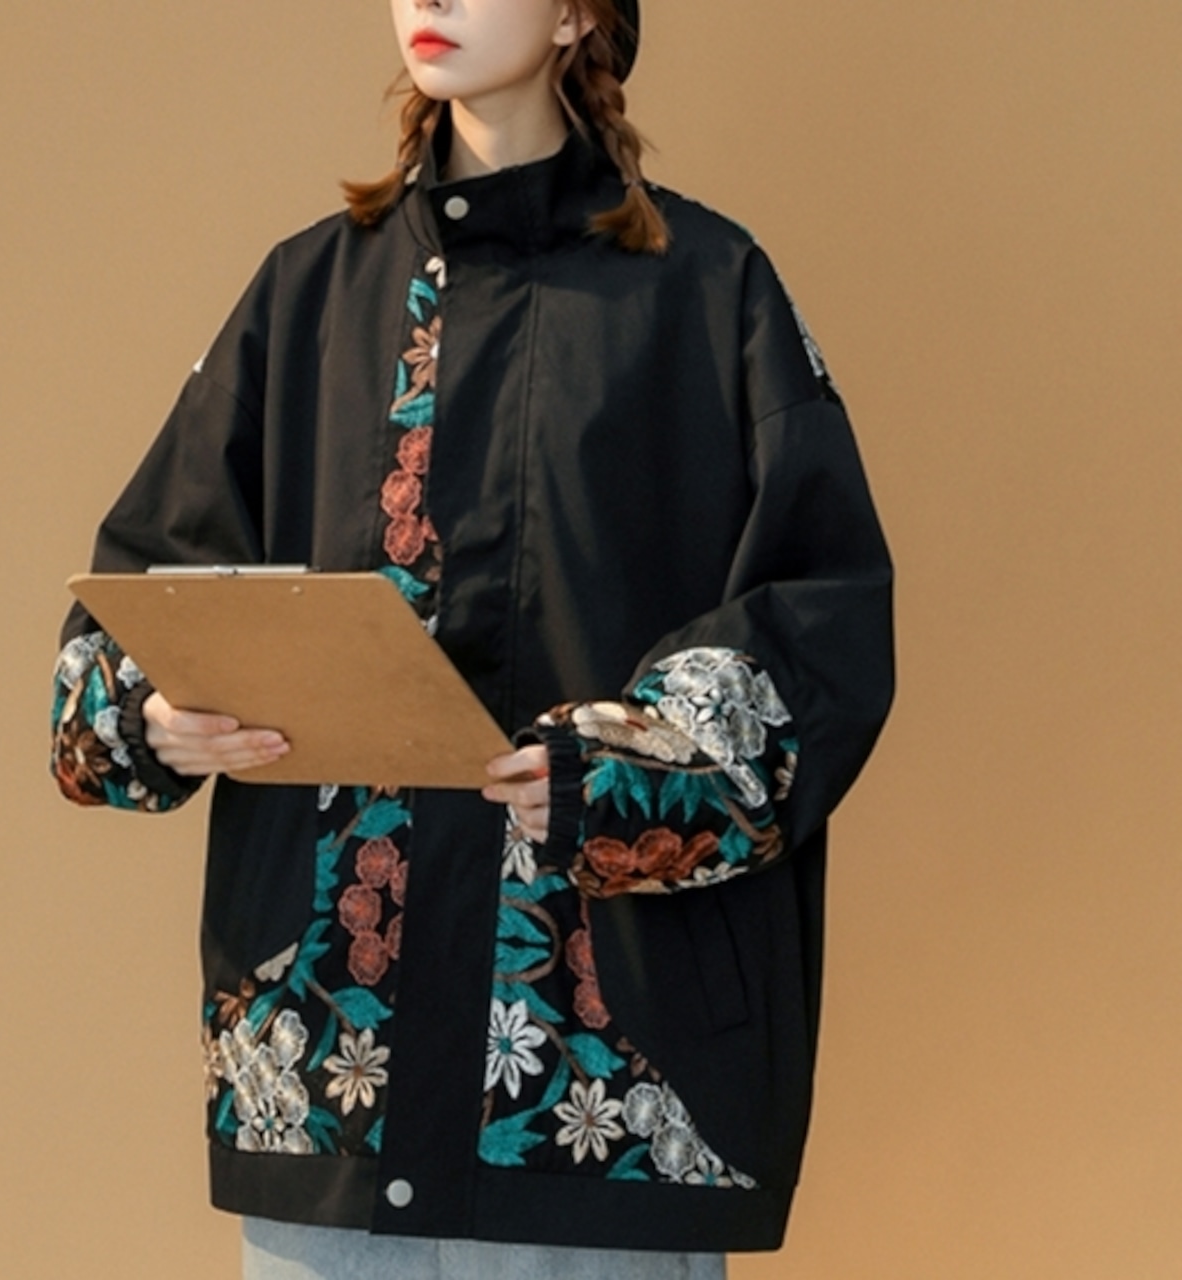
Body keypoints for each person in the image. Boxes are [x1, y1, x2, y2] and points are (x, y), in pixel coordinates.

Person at [51, 0, 894, 1274]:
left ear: (575, 14)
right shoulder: (307, 292)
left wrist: (615, 769)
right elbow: (143, 586)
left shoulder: (707, 288)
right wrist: (155, 713)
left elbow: (821, 614)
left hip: (597, 1079)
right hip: (328, 1064)